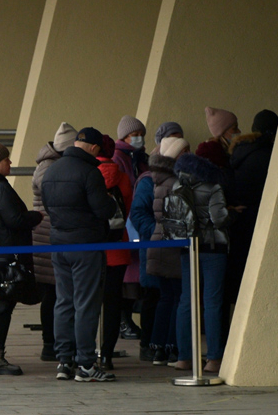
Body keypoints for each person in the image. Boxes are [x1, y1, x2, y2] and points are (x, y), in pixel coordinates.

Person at [42, 126, 117, 382]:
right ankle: (85, 364)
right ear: (95, 149)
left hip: (59, 244)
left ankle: (64, 361)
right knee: (86, 304)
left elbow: (48, 208)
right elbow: (103, 210)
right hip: (86, 245)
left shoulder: (51, 170)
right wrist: (111, 201)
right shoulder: (90, 173)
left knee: (64, 302)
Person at [0, 137, 42, 375]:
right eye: (5, 159)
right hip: (1, 256)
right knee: (1, 305)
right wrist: (35, 217)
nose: (10, 162)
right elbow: (15, 220)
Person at [130, 135, 187, 366]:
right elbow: (140, 214)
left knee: (166, 298)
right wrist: (158, 231)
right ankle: (172, 347)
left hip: (159, 246)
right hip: (169, 246)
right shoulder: (172, 182)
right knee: (174, 298)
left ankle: (158, 347)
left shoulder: (154, 179)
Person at [173, 152, 231, 374]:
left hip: (187, 249)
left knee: (187, 302)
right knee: (212, 302)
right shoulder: (213, 186)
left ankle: (184, 358)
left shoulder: (177, 185)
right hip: (213, 249)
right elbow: (218, 218)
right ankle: (213, 359)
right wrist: (232, 214)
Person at [225, 110, 277, 335]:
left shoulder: (237, 153)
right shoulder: (269, 155)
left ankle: (235, 332)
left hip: (238, 222)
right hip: (259, 222)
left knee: (237, 279)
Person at [32, 122, 78, 360]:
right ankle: (50, 343)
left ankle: (55, 342)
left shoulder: (50, 163)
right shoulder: (48, 166)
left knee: (57, 293)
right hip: (47, 236)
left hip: (49, 235)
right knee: (52, 294)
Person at [96, 135, 133, 370]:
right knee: (112, 305)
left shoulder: (88, 175)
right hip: (118, 247)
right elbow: (127, 208)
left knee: (87, 304)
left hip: (92, 249)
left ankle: (86, 353)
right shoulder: (123, 177)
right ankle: (107, 355)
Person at [111, 115, 148, 342]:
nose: (138, 138)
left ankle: (128, 320)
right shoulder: (120, 158)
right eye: (135, 135)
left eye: (141, 134)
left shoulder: (140, 157)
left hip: (137, 218)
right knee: (126, 273)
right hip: (127, 221)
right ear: (124, 136)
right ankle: (125, 320)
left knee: (134, 272)